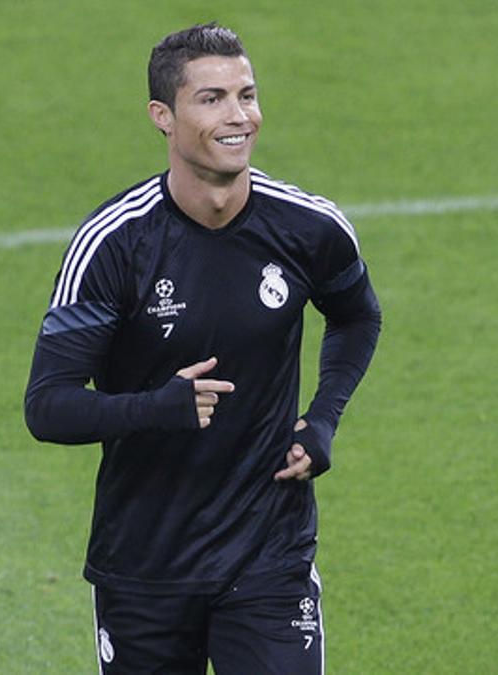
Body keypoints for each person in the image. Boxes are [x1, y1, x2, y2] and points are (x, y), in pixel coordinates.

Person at [24, 23, 381, 673]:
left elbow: (358, 317)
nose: (239, 115)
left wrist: (324, 418)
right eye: (212, 98)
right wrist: (157, 407)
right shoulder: (114, 245)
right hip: (145, 563)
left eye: (247, 94)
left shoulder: (309, 227)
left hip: (269, 554)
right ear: (163, 116)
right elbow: (47, 406)